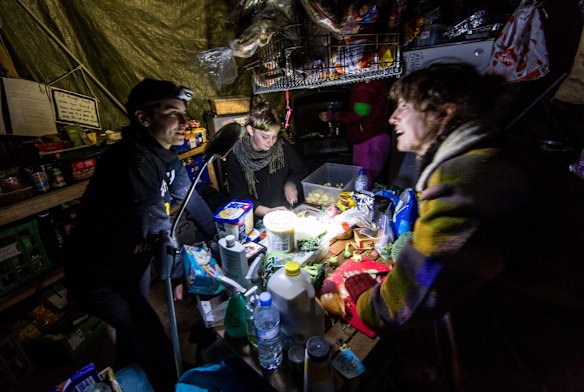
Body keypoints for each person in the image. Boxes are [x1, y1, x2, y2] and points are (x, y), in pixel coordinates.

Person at [344, 63, 584, 391]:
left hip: (544, 353)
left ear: (444, 113)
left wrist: (363, 302)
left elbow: (409, 300)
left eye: (404, 107)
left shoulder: (466, 176)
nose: (392, 118)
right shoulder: (497, 153)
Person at [63, 78, 217, 392]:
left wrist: (217, 237)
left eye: (184, 112)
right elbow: (155, 224)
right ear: (143, 118)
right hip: (98, 275)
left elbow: (190, 199)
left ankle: (130, 379)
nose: (184, 122)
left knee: (133, 335)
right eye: (172, 112)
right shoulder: (132, 158)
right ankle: (172, 384)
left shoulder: (167, 155)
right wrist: (183, 269)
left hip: (131, 262)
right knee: (149, 335)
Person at [227, 98, 307, 218]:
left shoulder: (282, 146)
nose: (271, 143)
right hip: (256, 218)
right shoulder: (235, 156)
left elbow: (300, 171)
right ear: (250, 130)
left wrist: (291, 183)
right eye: (265, 137)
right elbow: (239, 197)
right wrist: (267, 212)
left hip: (285, 211)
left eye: (274, 136)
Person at [319, 79, 390, 188]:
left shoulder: (366, 86)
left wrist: (333, 116)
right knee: (370, 179)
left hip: (367, 139)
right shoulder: (376, 82)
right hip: (375, 135)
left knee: (364, 182)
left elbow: (360, 113)